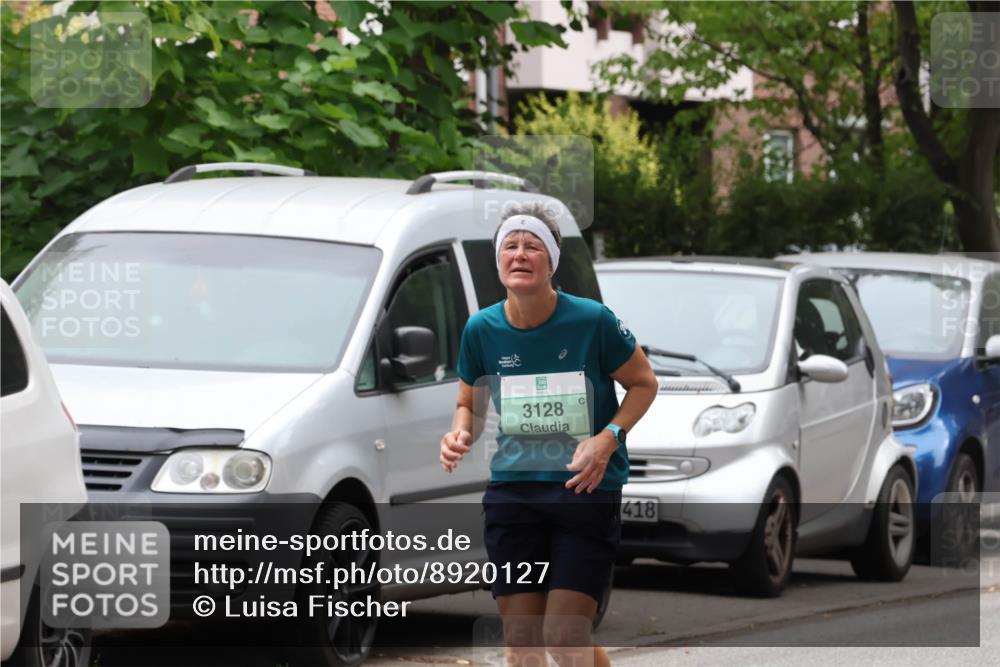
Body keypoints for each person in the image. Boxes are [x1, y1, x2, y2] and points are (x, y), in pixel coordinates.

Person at [439, 203, 657, 667]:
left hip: (584, 489)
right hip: (514, 495)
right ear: (498, 261)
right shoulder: (482, 329)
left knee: (564, 638)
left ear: (551, 260)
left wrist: (608, 437)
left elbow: (644, 383)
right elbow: (468, 404)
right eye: (510, 246)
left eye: (532, 246)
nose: (520, 254)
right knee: (522, 647)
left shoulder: (593, 321)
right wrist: (459, 434)